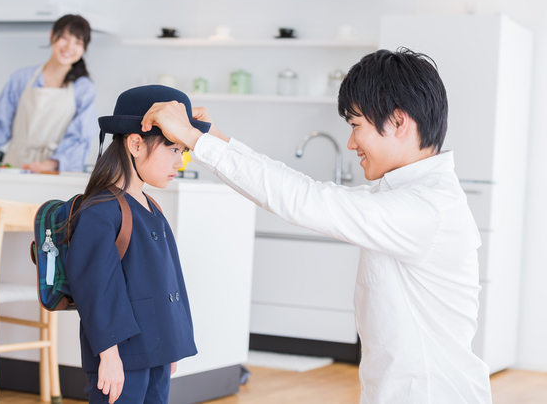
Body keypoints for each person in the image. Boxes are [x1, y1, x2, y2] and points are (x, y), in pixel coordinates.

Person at [142, 49, 493, 403]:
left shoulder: (425, 210)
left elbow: (304, 198)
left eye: (356, 126)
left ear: (399, 122)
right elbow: (297, 188)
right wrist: (214, 139)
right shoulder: (407, 196)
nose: (351, 143)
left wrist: (194, 139)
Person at [65, 85, 210, 403]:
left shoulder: (151, 207)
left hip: (156, 351)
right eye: (173, 150)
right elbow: (97, 290)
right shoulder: (101, 211)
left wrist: (171, 344)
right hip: (121, 359)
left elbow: (169, 281)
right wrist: (109, 356)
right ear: (135, 143)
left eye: (183, 152)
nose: (180, 162)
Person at [0, 14, 97, 173]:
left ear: (84, 49)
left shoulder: (84, 88)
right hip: (14, 168)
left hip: (54, 173)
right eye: (65, 38)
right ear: (52, 36)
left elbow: (79, 139)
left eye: (78, 42)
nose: (69, 47)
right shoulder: (21, 78)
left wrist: (45, 166)